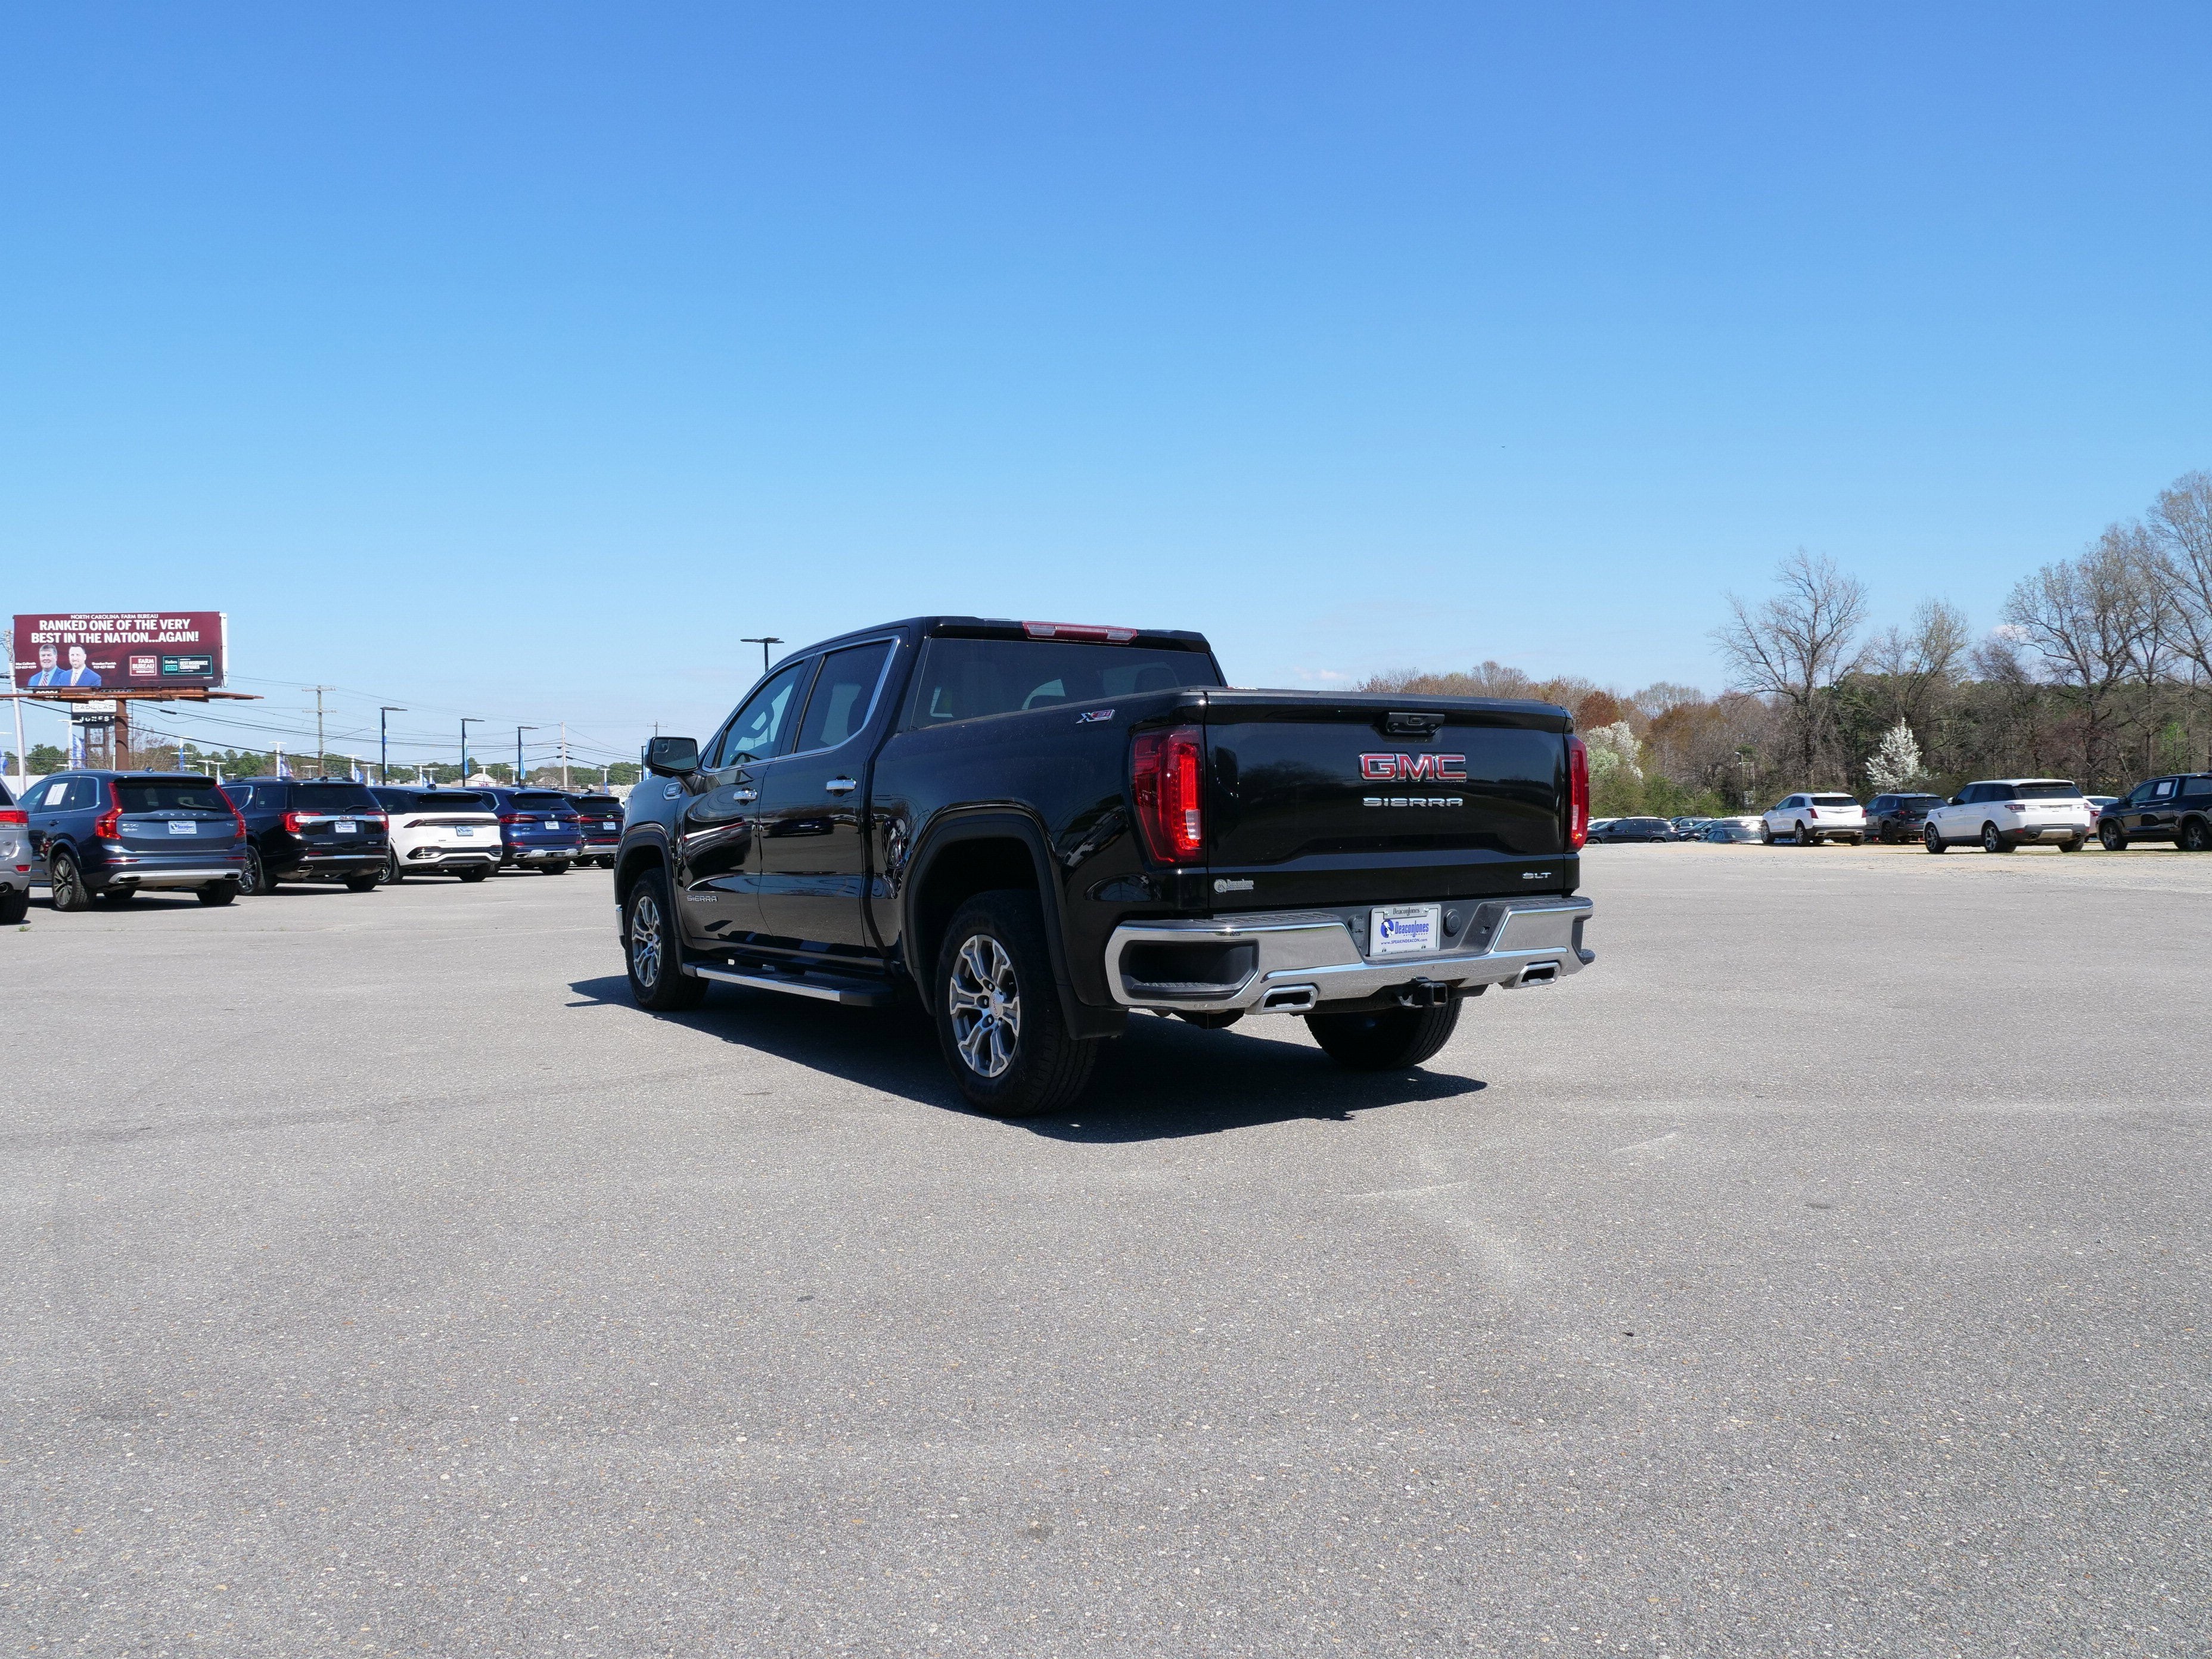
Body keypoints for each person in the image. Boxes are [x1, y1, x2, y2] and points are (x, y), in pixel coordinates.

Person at [29, 644, 102, 688]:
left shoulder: (95, 678)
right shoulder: (64, 676)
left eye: (78, 655)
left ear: (85, 657)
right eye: (72, 655)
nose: (75, 658)